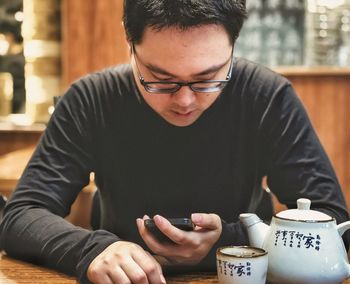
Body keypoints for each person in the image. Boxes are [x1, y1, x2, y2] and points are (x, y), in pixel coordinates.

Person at [0, 1, 349, 283]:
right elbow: (21, 216)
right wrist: (91, 249)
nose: (184, 101)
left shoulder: (266, 97)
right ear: (130, 42)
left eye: (208, 79)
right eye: (160, 79)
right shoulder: (92, 99)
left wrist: (226, 242)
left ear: (233, 45)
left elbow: (333, 221)